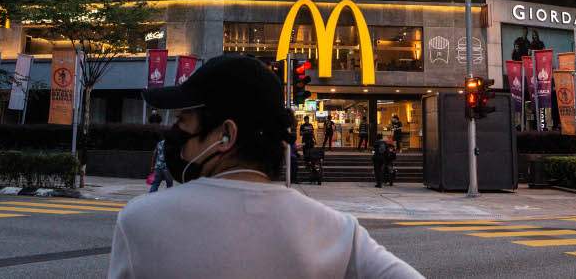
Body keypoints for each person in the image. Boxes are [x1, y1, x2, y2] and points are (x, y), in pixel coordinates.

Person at [110, 55, 421, 278]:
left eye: (182, 121)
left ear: (226, 134)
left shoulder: (140, 219)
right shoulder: (339, 232)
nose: (176, 134)